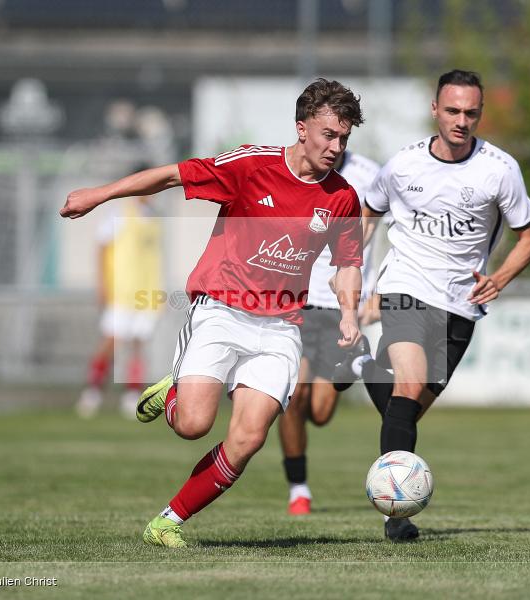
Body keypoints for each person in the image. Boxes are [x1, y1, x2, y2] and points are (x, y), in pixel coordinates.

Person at [60, 78, 366, 548]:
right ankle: (177, 393)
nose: (336, 146)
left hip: (282, 326)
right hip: (222, 310)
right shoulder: (249, 165)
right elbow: (169, 175)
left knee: (247, 438)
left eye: (344, 138)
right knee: (193, 425)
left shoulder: (341, 197)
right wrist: (99, 194)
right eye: (329, 134)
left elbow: (347, 262)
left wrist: (348, 313)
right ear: (302, 128)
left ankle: (167, 521)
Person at [333, 69, 530, 541]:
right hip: (406, 288)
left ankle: (363, 363)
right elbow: (369, 212)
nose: (461, 120)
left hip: (461, 304)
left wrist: (501, 277)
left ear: (480, 114)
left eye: (471, 112)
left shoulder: (500, 169)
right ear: (435, 110)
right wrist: (353, 267)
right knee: (407, 385)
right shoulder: (403, 165)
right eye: (452, 110)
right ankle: (396, 516)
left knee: (406, 409)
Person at [278, 149, 379, 515]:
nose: (333, 142)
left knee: (319, 413)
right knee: (290, 396)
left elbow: (384, 235)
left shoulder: (370, 174)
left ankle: (348, 363)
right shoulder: (290, 168)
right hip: (295, 302)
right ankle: (298, 490)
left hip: (340, 307)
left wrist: (376, 293)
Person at [76, 194, 163, 419]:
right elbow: (102, 248)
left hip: (147, 293)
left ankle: (132, 395)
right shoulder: (120, 213)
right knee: (111, 341)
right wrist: (102, 284)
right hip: (121, 291)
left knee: (138, 343)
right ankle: (92, 391)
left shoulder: (153, 217)